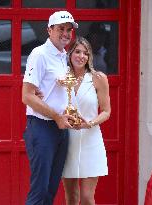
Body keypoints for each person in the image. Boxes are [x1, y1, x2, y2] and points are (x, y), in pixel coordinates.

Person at [22, 11, 78, 205]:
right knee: (39, 191)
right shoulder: (40, 54)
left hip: (60, 129)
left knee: (50, 190)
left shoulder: (64, 56)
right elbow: (27, 95)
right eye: (61, 28)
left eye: (69, 29)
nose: (66, 33)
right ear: (49, 30)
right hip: (42, 127)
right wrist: (56, 116)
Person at [62, 36, 111, 205]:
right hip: (66, 140)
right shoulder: (62, 78)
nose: (81, 56)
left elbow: (106, 111)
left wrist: (90, 123)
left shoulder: (98, 78)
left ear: (90, 57)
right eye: (77, 51)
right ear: (70, 54)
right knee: (71, 198)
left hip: (91, 139)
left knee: (87, 199)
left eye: (86, 53)